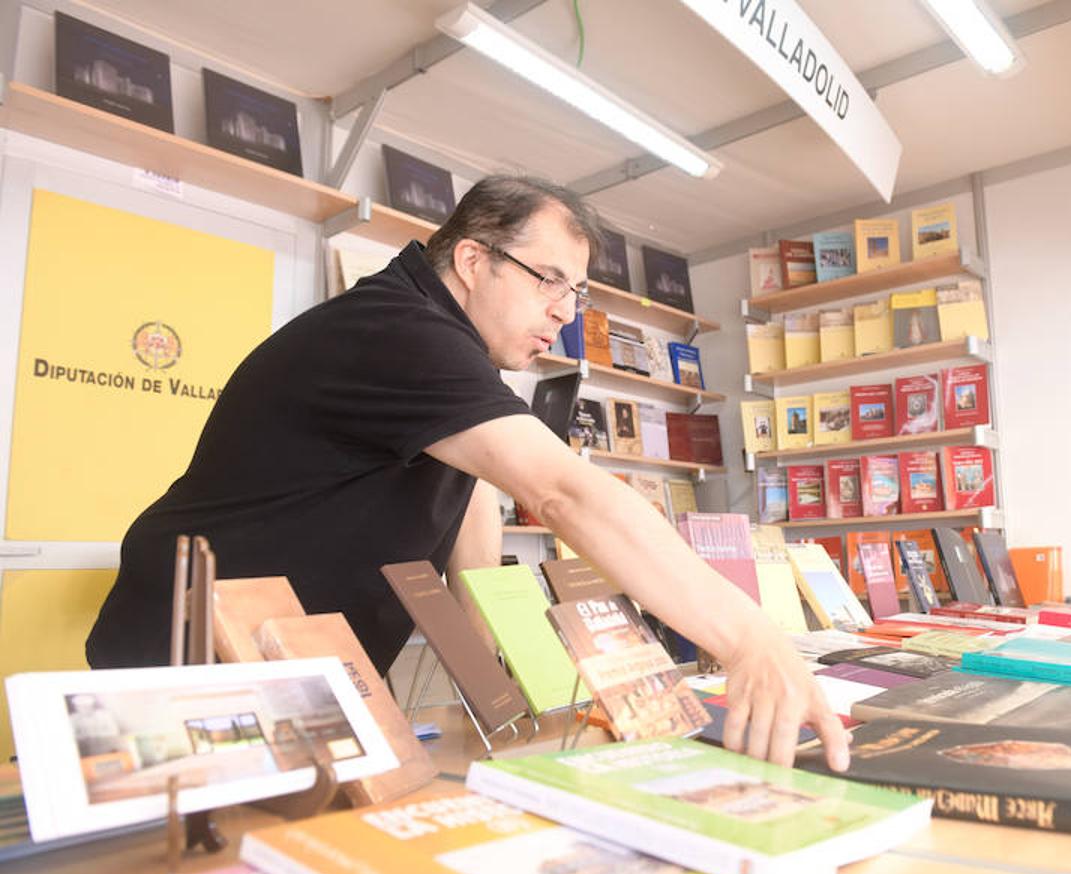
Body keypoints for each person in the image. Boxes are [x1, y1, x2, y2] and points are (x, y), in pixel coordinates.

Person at [86, 175, 849, 772]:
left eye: (576, 293)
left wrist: (488, 674)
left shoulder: (448, 349)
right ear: (473, 259)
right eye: (548, 280)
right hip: (188, 662)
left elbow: (472, 502)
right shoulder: (399, 331)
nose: (565, 312)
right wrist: (754, 641)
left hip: (290, 668)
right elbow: (561, 492)